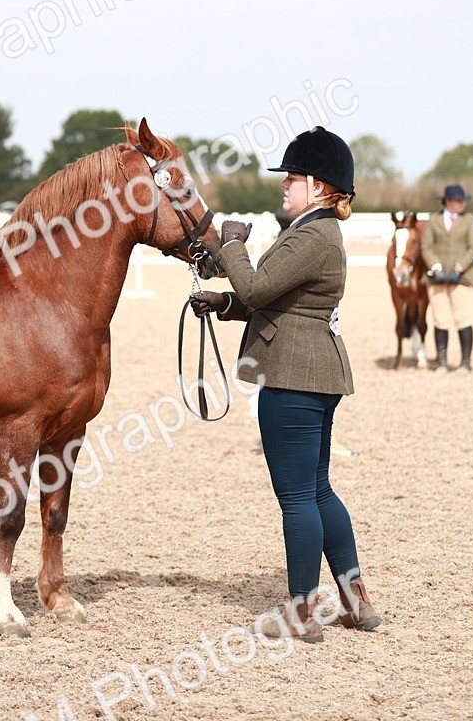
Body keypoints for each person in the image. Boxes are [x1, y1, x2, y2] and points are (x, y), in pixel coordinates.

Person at [190, 126, 380, 642]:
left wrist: (230, 245)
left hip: (293, 376)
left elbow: (254, 284)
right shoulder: (309, 232)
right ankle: (355, 601)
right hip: (315, 370)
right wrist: (222, 304)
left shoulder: (313, 235)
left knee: (296, 497)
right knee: (318, 490)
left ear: (319, 186)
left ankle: (301, 612)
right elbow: (266, 300)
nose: (284, 185)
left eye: (292, 178)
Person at [421, 184, 473, 373]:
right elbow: (426, 247)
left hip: (461, 278)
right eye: (458, 200)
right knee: (440, 319)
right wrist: (436, 268)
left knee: (463, 318)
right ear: (447, 201)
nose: (462, 204)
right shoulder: (434, 219)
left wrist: (459, 267)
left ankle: (465, 362)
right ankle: (442, 362)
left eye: (463, 201)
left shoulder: (469, 220)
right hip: (437, 279)